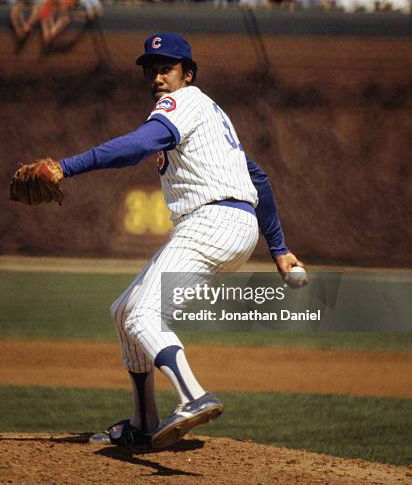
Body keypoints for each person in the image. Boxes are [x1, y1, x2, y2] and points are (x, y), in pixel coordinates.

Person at [26, 33, 304, 449]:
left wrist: (67, 166)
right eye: (151, 69)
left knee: (143, 317)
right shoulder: (210, 114)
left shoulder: (183, 102)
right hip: (227, 224)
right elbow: (258, 179)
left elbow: (139, 145)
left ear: (186, 74)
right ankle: (143, 424)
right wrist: (278, 250)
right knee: (124, 312)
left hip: (211, 220)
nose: (157, 76)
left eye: (167, 68)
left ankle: (194, 395)